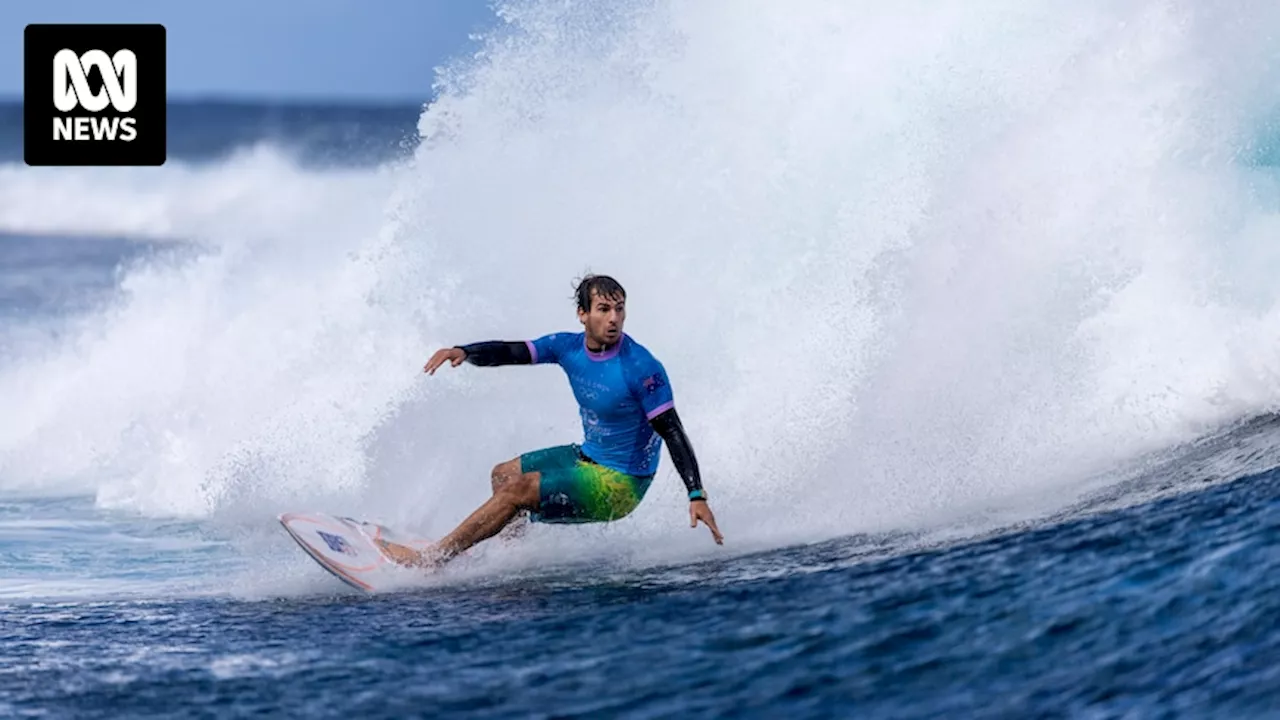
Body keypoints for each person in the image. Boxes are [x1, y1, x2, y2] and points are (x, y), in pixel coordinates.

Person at [376, 274, 723, 568]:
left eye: (620, 309)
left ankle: (432, 560)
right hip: (589, 456)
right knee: (504, 474)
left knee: (517, 491)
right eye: (603, 309)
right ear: (583, 314)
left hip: (620, 484)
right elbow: (512, 352)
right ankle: (512, 557)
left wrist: (696, 494)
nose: (614, 318)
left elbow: (672, 430)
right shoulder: (567, 347)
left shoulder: (641, 367)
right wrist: (465, 352)